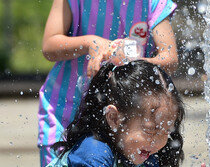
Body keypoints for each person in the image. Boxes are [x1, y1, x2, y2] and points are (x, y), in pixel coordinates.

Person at [39, 0, 178, 166]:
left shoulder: (152, 3)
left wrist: (129, 64)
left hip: (133, 117)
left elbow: (169, 59)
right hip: (65, 111)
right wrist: (90, 43)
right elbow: (49, 46)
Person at [46, 60, 185, 167]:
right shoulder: (93, 154)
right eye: (149, 130)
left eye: (166, 132)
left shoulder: (145, 156)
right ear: (113, 118)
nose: (158, 142)